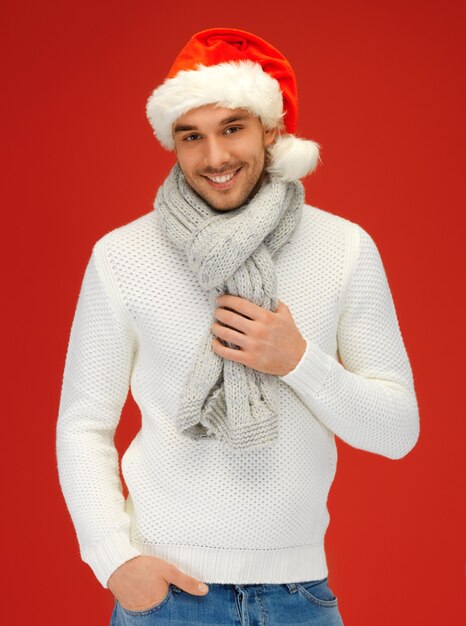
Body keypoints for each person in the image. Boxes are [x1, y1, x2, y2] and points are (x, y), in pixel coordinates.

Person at [56, 28, 420, 626]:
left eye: (232, 129)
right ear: (172, 143)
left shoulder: (344, 248)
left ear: (272, 132)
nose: (215, 158)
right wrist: (113, 559)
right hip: (165, 596)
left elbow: (397, 430)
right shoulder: (123, 256)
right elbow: (84, 424)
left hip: (297, 595)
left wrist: (299, 360)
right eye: (191, 137)